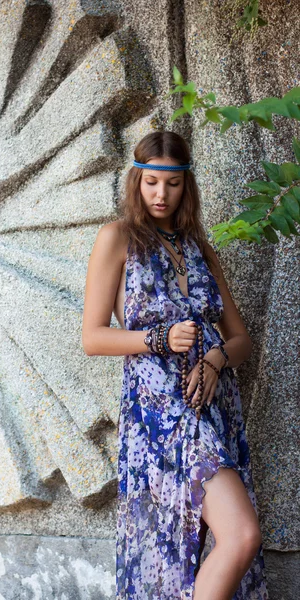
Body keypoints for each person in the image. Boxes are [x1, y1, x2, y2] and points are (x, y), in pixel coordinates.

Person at [81, 131, 269, 600]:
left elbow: (241, 339)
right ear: (136, 182)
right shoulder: (117, 238)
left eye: (172, 184)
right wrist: (159, 338)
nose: (160, 194)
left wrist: (214, 357)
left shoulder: (201, 250)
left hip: (210, 408)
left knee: (211, 544)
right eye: (150, 183)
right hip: (160, 415)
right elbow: (93, 337)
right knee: (238, 535)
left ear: (187, 185)